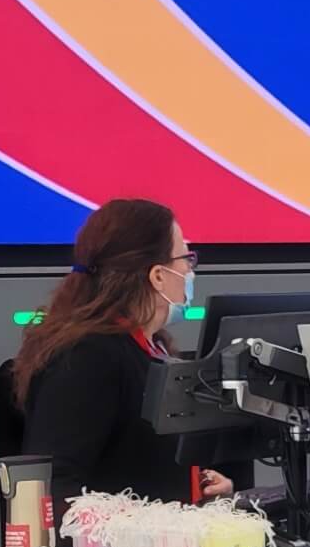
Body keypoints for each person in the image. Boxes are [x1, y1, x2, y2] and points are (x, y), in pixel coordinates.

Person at [15, 199, 234, 519]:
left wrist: (200, 488)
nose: (190, 269)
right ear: (158, 276)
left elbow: (139, 464)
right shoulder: (87, 358)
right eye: (185, 258)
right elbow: (58, 491)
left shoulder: (153, 348)